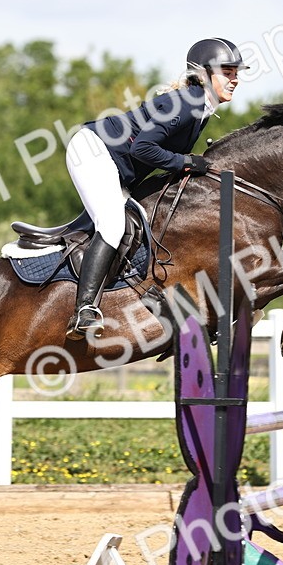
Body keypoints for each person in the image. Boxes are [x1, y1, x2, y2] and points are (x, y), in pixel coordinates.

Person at [63, 38, 247, 341]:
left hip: (114, 163)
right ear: (204, 74)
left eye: (236, 72)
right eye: (227, 71)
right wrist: (185, 161)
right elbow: (143, 148)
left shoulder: (199, 107)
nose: (235, 78)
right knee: (112, 225)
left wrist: (183, 164)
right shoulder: (188, 103)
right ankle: (84, 310)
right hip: (94, 151)